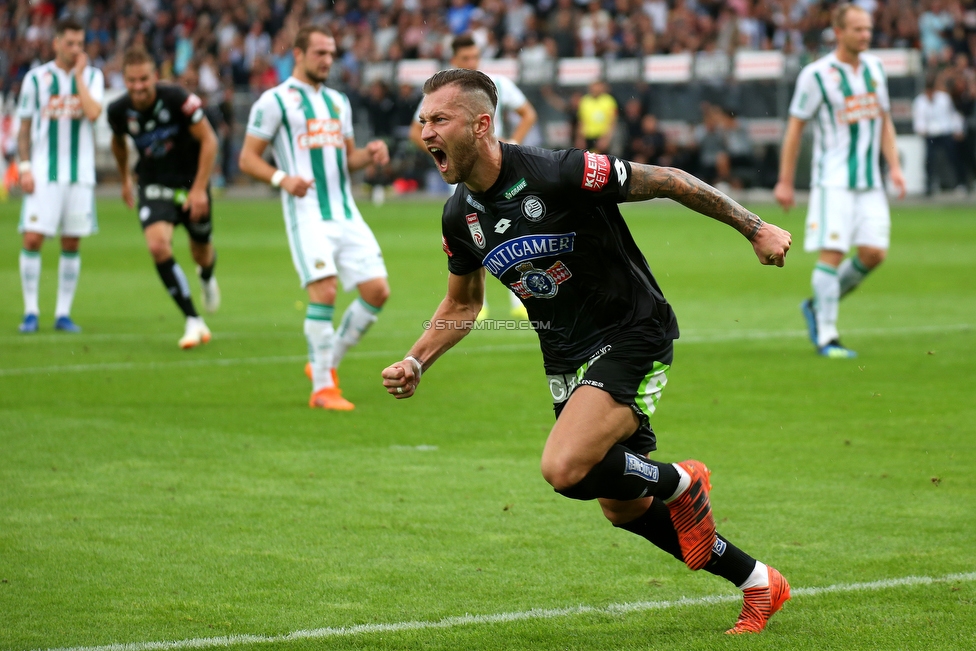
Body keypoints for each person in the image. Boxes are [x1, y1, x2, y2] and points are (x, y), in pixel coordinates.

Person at [382, 68, 794, 635]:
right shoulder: (460, 215)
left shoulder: (560, 172)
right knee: (619, 503)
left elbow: (670, 179)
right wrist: (415, 359)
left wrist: (755, 228)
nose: (425, 131)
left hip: (633, 332)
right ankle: (758, 583)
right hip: (566, 360)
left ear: (481, 126)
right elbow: (463, 302)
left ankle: (679, 482)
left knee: (564, 466)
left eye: (440, 119)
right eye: (423, 120)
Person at [239, 25, 391, 411]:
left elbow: (347, 158)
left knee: (377, 292)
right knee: (324, 292)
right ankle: (323, 389)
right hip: (307, 214)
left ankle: (326, 363)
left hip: (345, 211)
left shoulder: (339, 102)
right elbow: (247, 158)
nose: (327, 60)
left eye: (332, 53)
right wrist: (281, 178)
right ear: (299, 54)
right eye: (320, 53)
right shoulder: (275, 101)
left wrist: (369, 153)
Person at [774, 3, 906, 359]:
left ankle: (817, 306)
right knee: (832, 254)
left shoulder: (876, 69)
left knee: (874, 253)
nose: (866, 35)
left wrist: (894, 166)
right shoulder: (816, 75)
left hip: (870, 181)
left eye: (868, 29)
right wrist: (785, 181)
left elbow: (884, 120)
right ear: (839, 32)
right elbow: (795, 129)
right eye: (858, 29)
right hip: (832, 181)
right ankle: (827, 337)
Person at [410, 33, 538, 320]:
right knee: (473, 233)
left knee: (517, 227)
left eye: (475, 58)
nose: (472, 63)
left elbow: (528, 113)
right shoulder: (442, 94)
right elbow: (416, 131)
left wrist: (513, 144)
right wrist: (442, 154)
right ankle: (474, 301)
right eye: (466, 59)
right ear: (454, 61)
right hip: (463, 171)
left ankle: (520, 298)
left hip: (498, 169)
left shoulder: (497, 84)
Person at [107, 47, 221, 350]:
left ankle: (207, 276)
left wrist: (198, 189)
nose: (138, 86)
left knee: (201, 252)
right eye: (131, 80)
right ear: (124, 80)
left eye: (143, 79)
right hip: (153, 182)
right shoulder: (118, 111)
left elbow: (209, 140)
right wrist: (124, 179)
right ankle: (193, 319)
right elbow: (117, 143)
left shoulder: (177, 99)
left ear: (154, 77)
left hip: (190, 182)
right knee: (157, 246)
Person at [15, 17, 104, 334]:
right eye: (69, 43)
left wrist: (78, 76)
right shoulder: (36, 79)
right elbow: (23, 128)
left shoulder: (92, 77)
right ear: (55, 43)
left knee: (71, 242)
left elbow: (93, 113)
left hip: (80, 175)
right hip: (43, 174)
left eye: (80, 44)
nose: (75, 49)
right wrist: (24, 167)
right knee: (33, 237)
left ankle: (63, 313)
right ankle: (30, 311)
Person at [912, 74, 965, 195]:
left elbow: (953, 115)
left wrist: (958, 129)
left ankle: (960, 183)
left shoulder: (944, 99)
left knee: (953, 157)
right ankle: (929, 185)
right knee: (929, 160)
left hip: (945, 132)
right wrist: (922, 129)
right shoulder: (919, 102)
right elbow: (919, 121)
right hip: (930, 134)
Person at [576, 80, 618, 153]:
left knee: (602, 161)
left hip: (602, 136)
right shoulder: (584, 100)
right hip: (588, 137)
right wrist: (580, 138)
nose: (595, 89)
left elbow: (612, 122)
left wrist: (606, 138)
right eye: (594, 86)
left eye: (598, 86)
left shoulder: (609, 100)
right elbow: (581, 121)